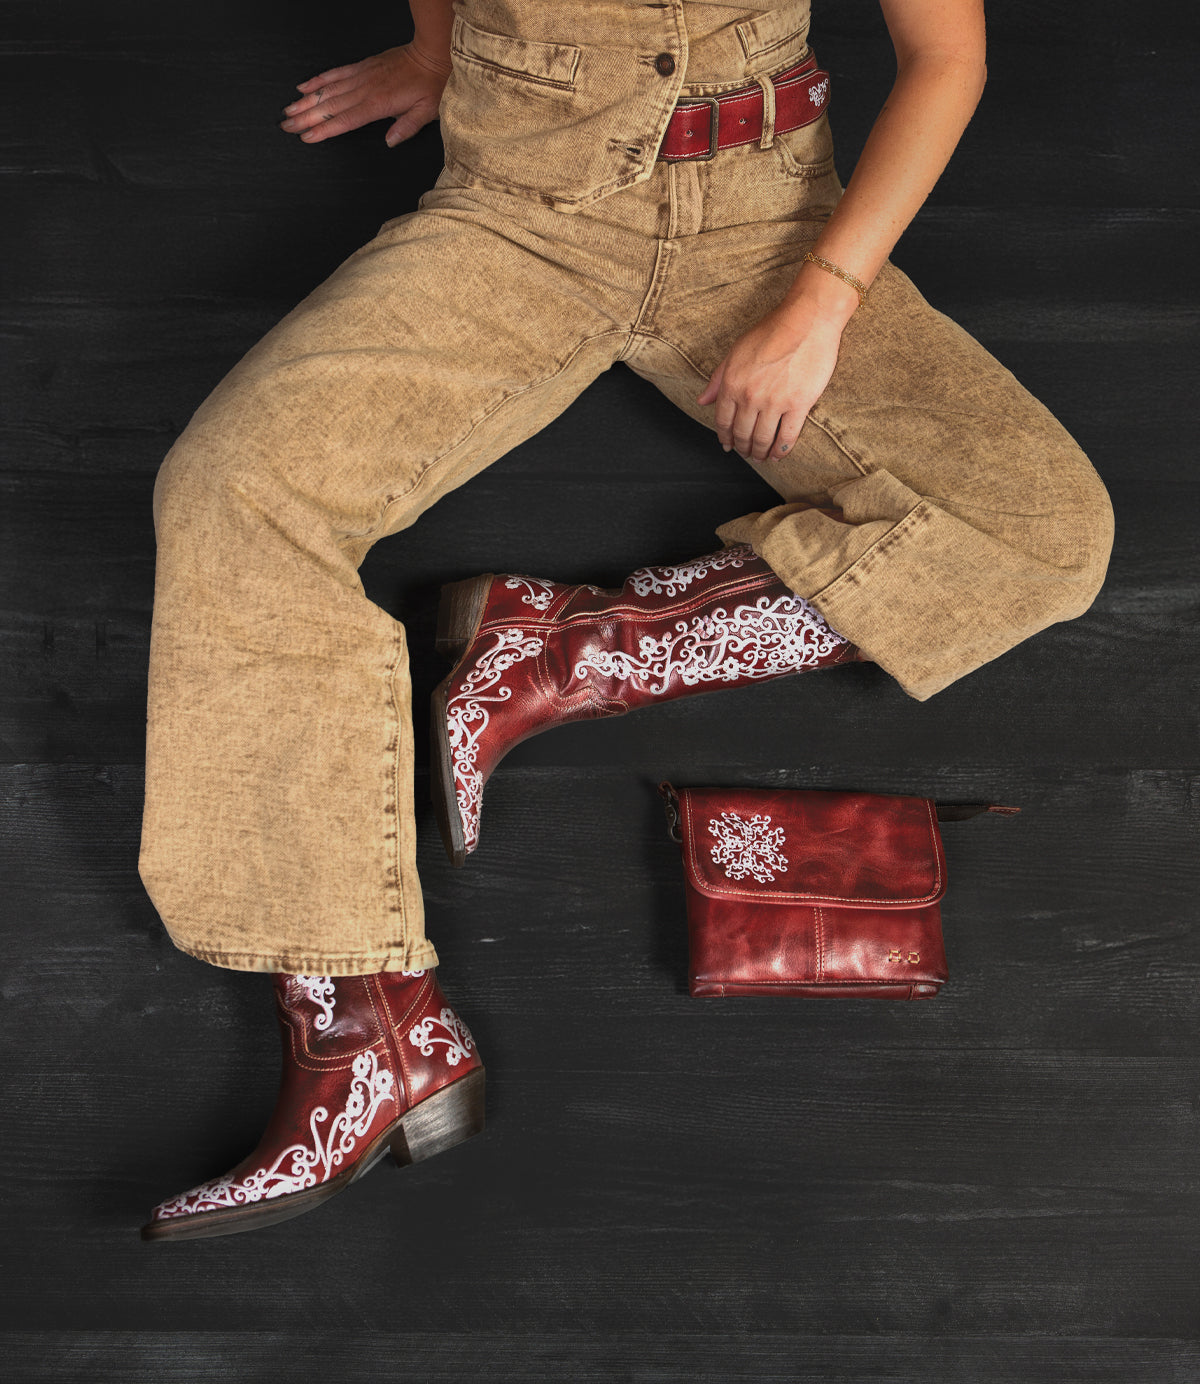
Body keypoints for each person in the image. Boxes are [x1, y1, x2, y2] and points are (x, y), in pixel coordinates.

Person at [138, 0, 1113, 1239]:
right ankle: (369, 1029)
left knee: (1040, 527)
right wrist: (441, 52)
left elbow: (947, 57)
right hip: (518, 216)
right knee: (232, 491)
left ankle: (559, 651)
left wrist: (825, 300)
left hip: (770, 224)